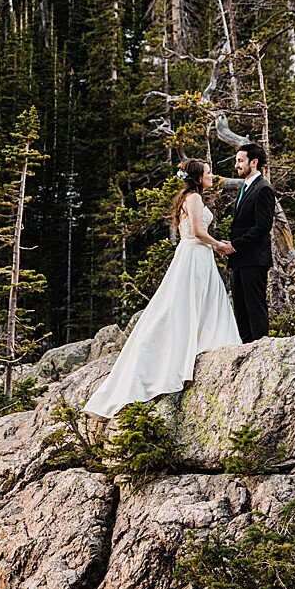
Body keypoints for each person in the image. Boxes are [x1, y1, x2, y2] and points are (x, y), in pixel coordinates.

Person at [84, 158, 241, 417]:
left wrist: (213, 245)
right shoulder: (194, 198)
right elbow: (199, 232)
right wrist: (220, 245)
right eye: (208, 172)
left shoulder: (189, 197)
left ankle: (201, 343)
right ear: (198, 177)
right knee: (187, 304)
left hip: (195, 254)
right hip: (195, 255)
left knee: (195, 302)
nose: (212, 176)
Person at [220, 142, 276, 342]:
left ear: (254, 162)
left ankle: (260, 346)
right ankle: (245, 346)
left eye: (240, 160)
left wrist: (235, 245)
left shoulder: (263, 189)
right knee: (241, 308)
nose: (237, 165)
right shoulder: (246, 187)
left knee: (255, 307)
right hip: (240, 259)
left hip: (254, 259)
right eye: (237, 161)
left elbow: (262, 227)